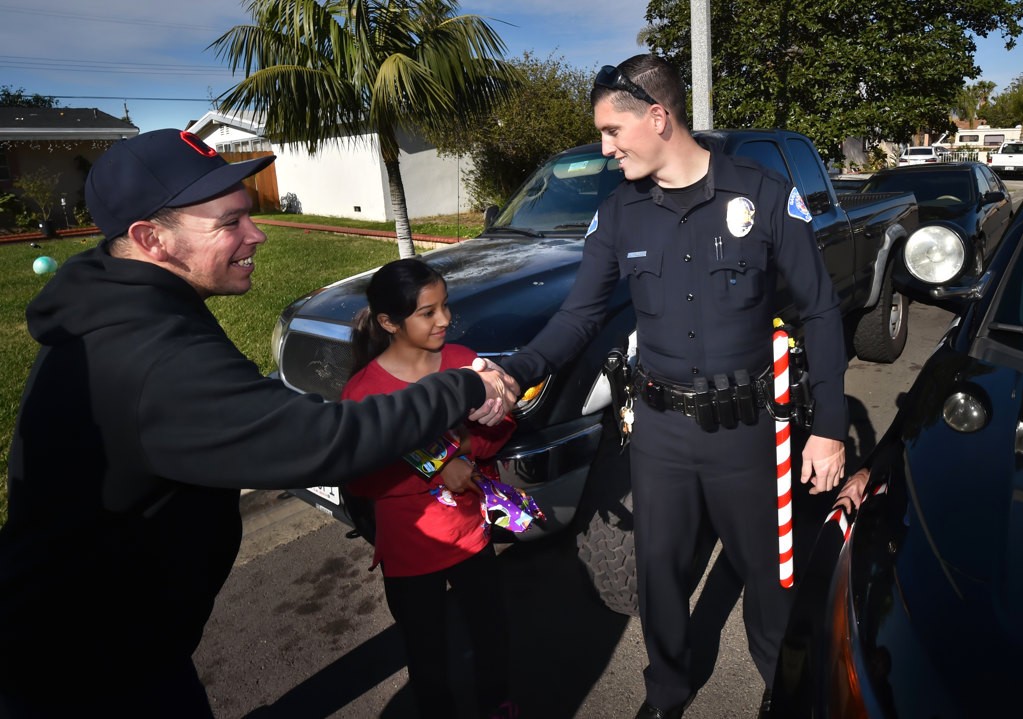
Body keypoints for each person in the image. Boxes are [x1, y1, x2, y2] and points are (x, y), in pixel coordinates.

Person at [0, 129, 517, 718]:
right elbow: (325, 442)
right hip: (88, 672)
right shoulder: (146, 353)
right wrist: (464, 384)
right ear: (151, 239)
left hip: (126, 642)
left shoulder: (130, 301)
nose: (257, 234)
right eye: (229, 224)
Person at [495, 55, 847, 719]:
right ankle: (666, 691)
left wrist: (828, 426)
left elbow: (821, 310)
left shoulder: (763, 194)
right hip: (660, 433)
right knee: (658, 575)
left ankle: (785, 686)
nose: (605, 147)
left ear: (658, 117)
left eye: (611, 131)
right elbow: (578, 316)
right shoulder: (618, 214)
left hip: (748, 429)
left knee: (771, 576)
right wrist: (516, 371)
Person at [341, 258, 518, 719]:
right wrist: (437, 470)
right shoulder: (365, 392)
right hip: (411, 548)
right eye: (427, 312)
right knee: (427, 654)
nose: (444, 320)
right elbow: (361, 477)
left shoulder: (464, 363)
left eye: (445, 306)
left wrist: (467, 443)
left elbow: (501, 429)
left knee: (491, 633)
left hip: (471, 534)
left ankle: (497, 701)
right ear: (388, 322)